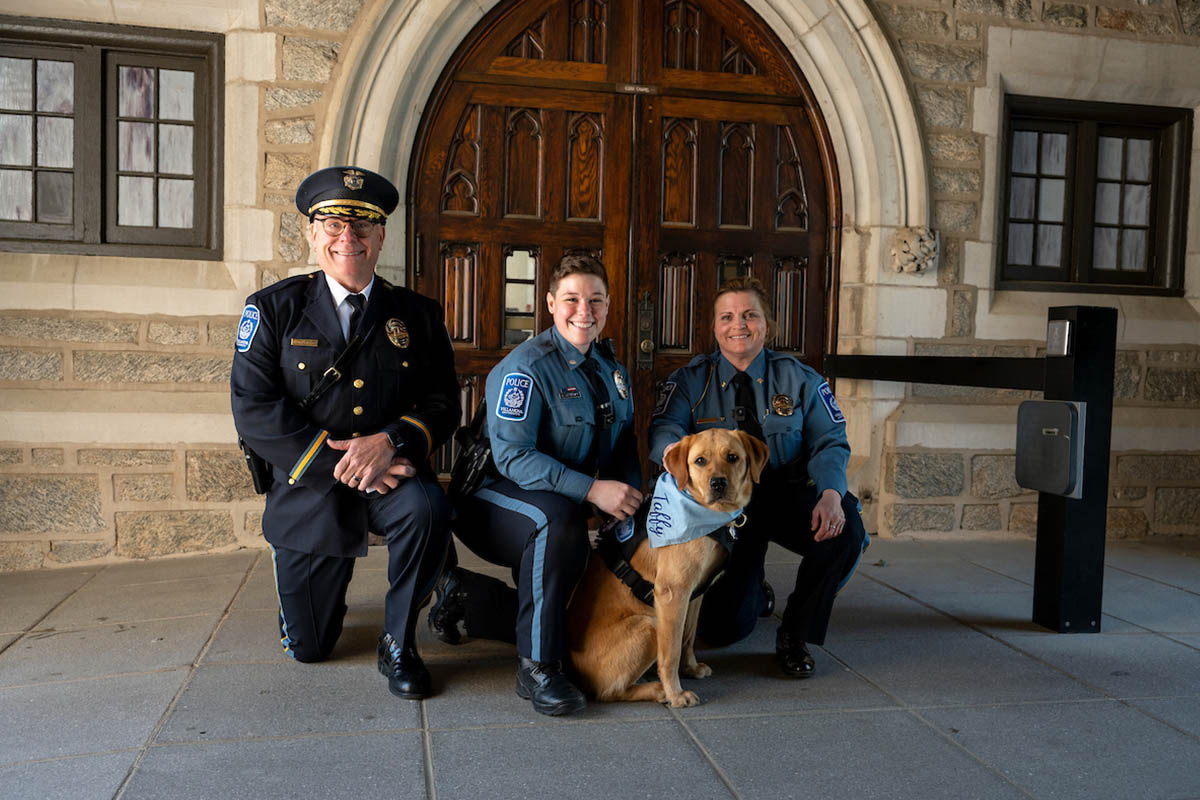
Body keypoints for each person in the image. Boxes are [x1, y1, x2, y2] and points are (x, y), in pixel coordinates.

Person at [230, 166, 459, 700]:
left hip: (393, 475)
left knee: (428, 509)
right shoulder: (272, 310)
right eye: (333, 225)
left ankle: (399, 642)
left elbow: (443, 401)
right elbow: (253, 408)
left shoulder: (418, 316)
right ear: (313, 234)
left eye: (362, 226)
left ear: (381, 235)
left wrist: (392, 442)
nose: (347, 237)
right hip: (310, 488)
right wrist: (344, 466)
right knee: (310, 648)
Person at [429, 253, 643, 716]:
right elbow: (513, 458)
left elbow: (623, 442)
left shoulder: (612, 370)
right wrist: (592, 492)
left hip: (562, 494)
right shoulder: (525, 368)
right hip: (489, 497)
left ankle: (465, 598)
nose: (583, 311)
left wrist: (625, 500)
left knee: (617, 528)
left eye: (595, 300)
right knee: (557, 524)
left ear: (608, 305)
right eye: (571, 299)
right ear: (550, 303)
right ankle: (539, 667)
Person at [648, 276, 868, 678]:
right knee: (724, 629)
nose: (739, 325)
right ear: (714, 327)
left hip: (786, 494)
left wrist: (832, 493)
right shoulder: (690, 381)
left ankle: (795, 634)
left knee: (846, 530)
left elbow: (830, 442)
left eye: (750, 315)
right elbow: (665, 432)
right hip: (723, 509)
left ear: (768, 324)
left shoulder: (800, 379)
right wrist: (674, 459)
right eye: (727, 316)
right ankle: (755, 588)